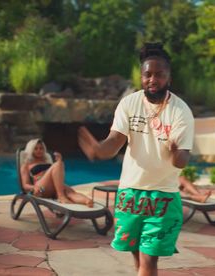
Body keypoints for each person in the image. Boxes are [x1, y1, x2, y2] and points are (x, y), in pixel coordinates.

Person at [78, 42, 194, 276]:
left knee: (149, 262)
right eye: (148, 74)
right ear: (141, 77)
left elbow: (182, 160)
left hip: (163, 196)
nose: (153, 79)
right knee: (139, 259)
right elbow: (115, 141)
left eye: (159, 75)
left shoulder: (181, 111)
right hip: (130, 193)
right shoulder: (129, 103)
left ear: (168, 78)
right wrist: (100, 150)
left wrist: (175, 151)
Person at [20, 139, 93, 207]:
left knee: (71, 193)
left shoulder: (46, 161)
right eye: (35, 148)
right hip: (41, 188)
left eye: (41, 148)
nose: (39, 150)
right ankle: (61, 196)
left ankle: (87, 201)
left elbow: (56, 174)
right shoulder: (26, 165)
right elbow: (25, 185)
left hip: (55, 186)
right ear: (31, 150)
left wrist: (59, 162)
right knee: (58, 163)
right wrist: (34, 187)